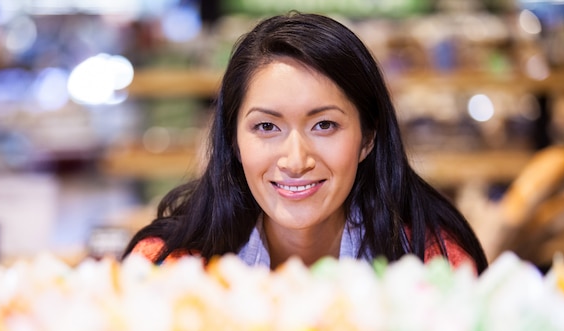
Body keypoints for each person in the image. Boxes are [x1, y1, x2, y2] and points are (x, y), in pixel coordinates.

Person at [123, 12, 488, 273]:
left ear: (368, 137)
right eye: (266, 127)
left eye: (325, 125)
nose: (296, 160)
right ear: (232, 140)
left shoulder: (432, 266)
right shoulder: (167, 269)